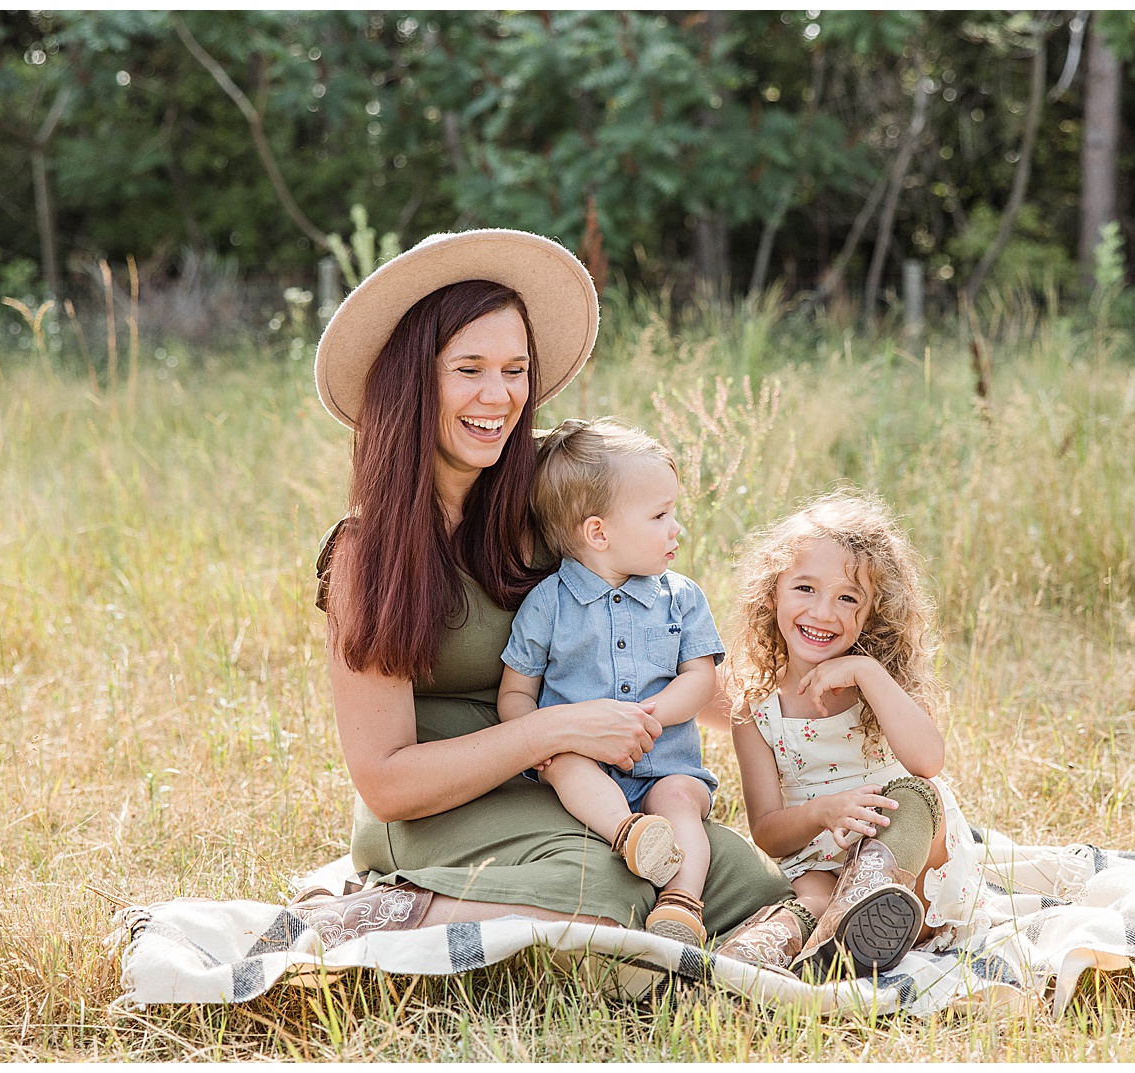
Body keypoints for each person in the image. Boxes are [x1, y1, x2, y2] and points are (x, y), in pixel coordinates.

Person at [291, 228, 795, 950]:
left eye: (515, 368)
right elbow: (387, 781)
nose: (498, 396)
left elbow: (653, 630)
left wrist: (785, 708)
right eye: (468, 368)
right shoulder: (367, 553)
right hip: (436, 811)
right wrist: (556, 729)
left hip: (565, 788)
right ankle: (373, 914)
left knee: (739, 886)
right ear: (414, 380)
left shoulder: (546, 487)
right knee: (609, 896)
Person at [715, 491, 988, 978]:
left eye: (848, 598)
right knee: (815, 898)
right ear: (772, 591)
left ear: (871, 615)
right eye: (804, 588)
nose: (823, 613)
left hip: (912, 868)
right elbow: (769, 832)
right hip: (823, 864)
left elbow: (927, 762)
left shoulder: (880, 683)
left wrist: (866, 672)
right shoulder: (755, 709)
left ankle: (870, 900)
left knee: (913, 795)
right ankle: (768, 949)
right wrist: (824, 812)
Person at [498, 418, 722, 945]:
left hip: (665, 763)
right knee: (569, 768)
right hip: (583, 762)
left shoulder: (681, 596)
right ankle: (628, 834)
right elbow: (515, 692)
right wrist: (544, 739)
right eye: (660, 515)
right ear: (598, 532)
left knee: (682, 800)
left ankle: (681, 903)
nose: (676, 529)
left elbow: (700, 679)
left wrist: (649, 716)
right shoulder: (548, 604)